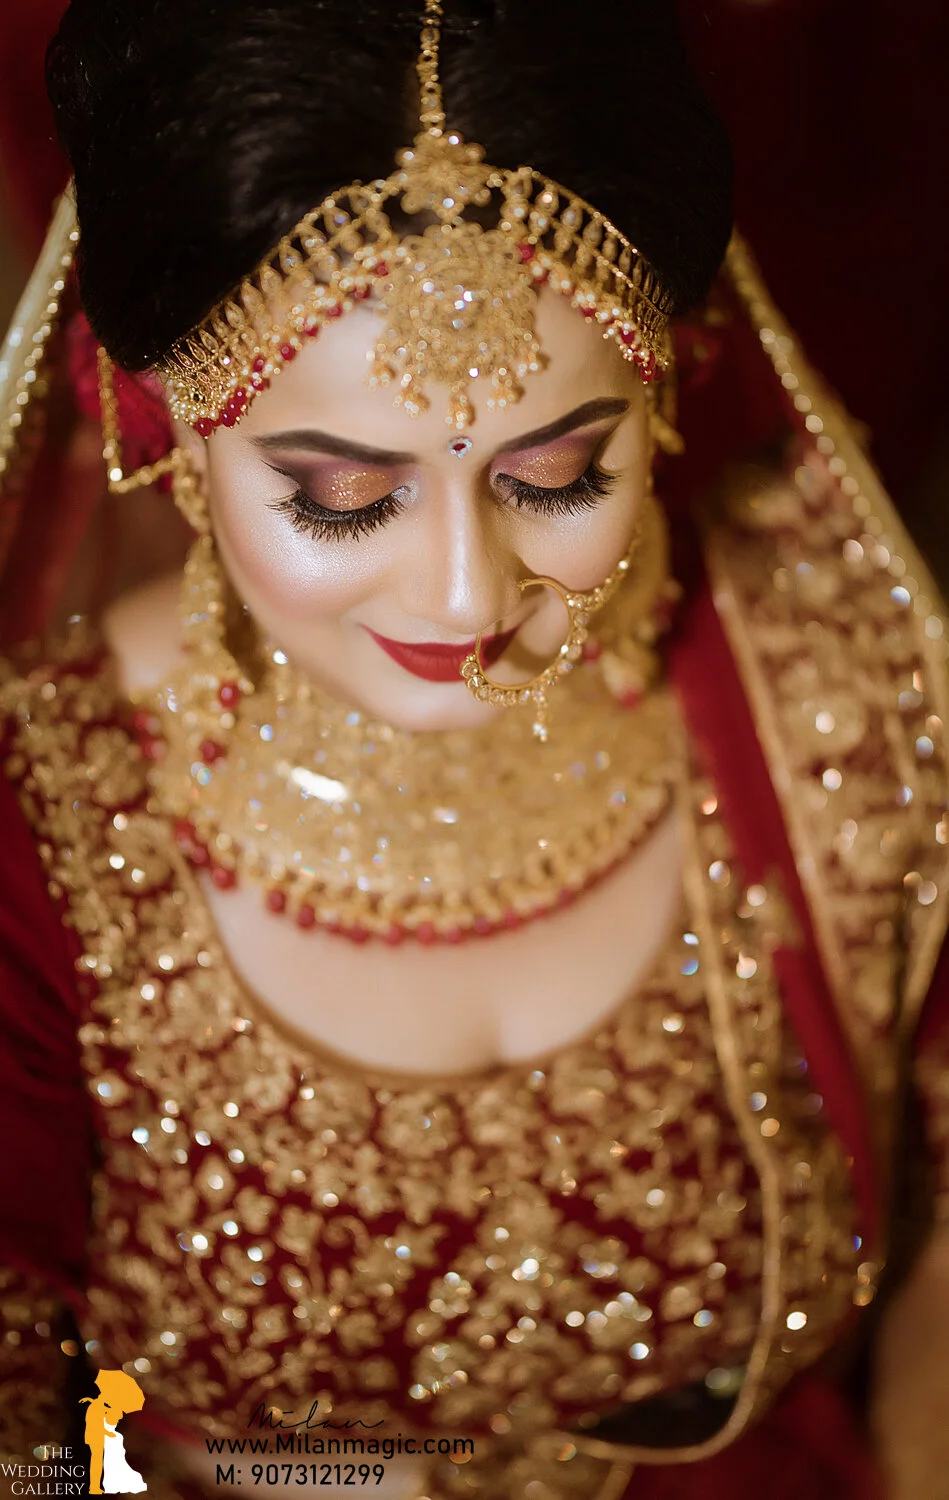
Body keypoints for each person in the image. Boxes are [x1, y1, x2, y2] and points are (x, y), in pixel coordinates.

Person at [0, 3, 947, 1498]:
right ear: (162, 413)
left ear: (669, 385)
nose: (465, 597)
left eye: (559, 473)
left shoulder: (835, 682)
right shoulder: (39, 830)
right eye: (339, 496)